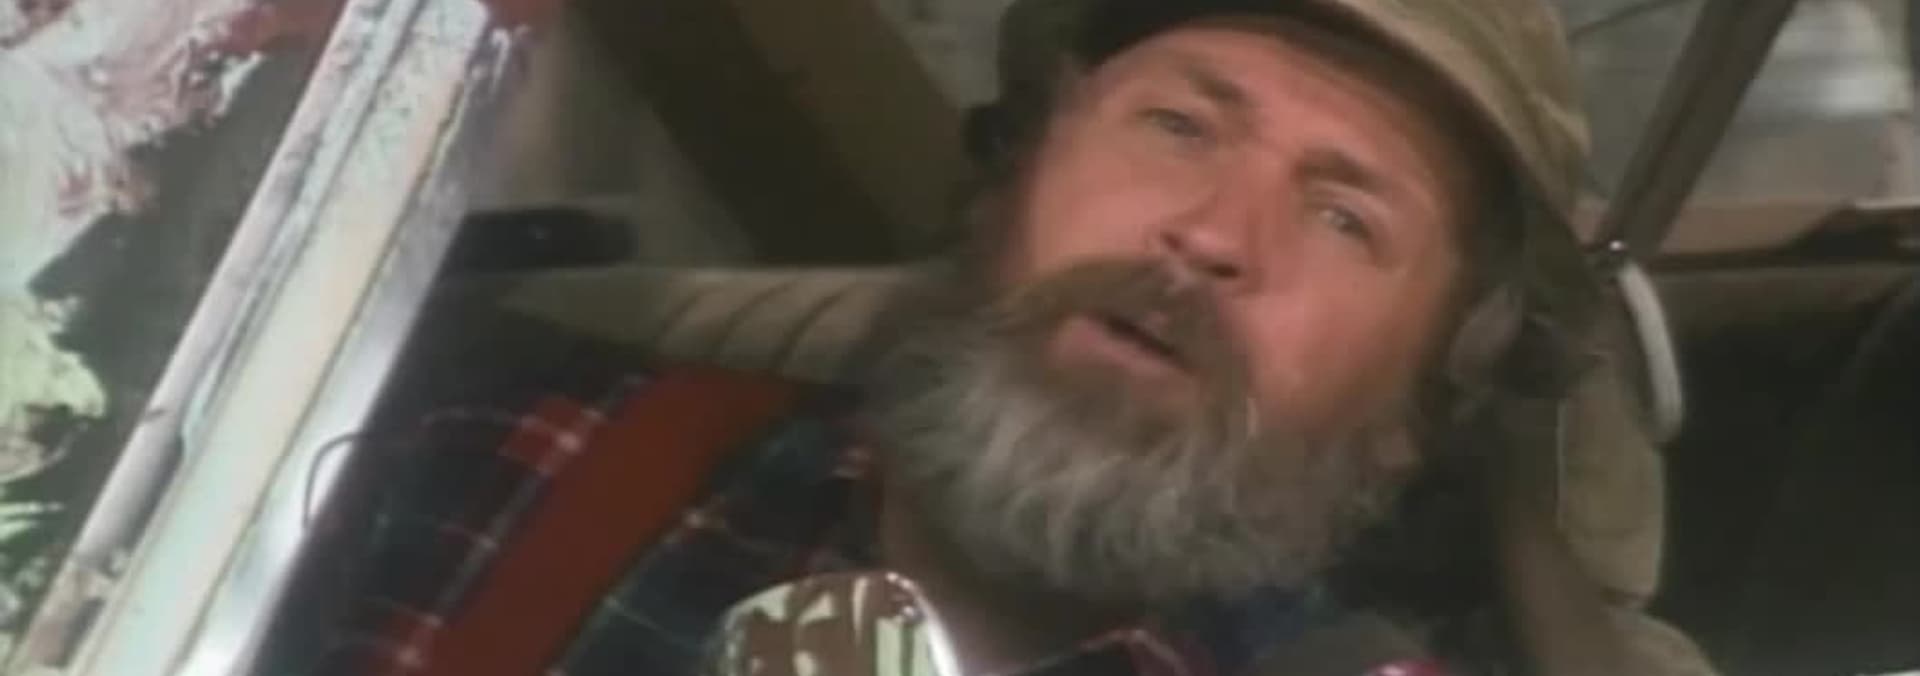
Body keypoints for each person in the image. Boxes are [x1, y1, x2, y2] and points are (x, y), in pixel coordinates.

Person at [308, 0, 1716, 674]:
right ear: (1017, 172)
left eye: (1346, 217)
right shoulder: (524, 453)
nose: (1211, 233)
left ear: (1420, 403)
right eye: (1180, 124)